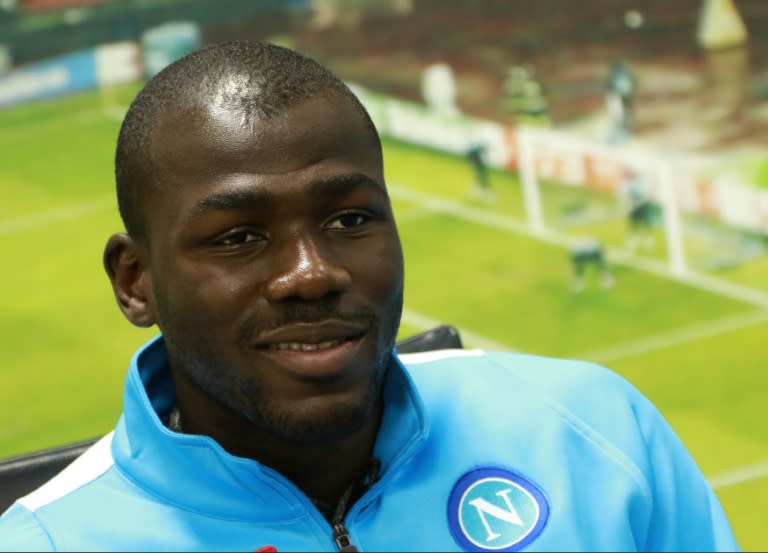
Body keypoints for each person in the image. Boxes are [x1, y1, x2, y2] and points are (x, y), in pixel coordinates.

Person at [0, 41, 738, 552]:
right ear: (136, 281)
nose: (310, 272)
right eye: (237, 237)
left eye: (349, 219)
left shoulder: (590, 431)